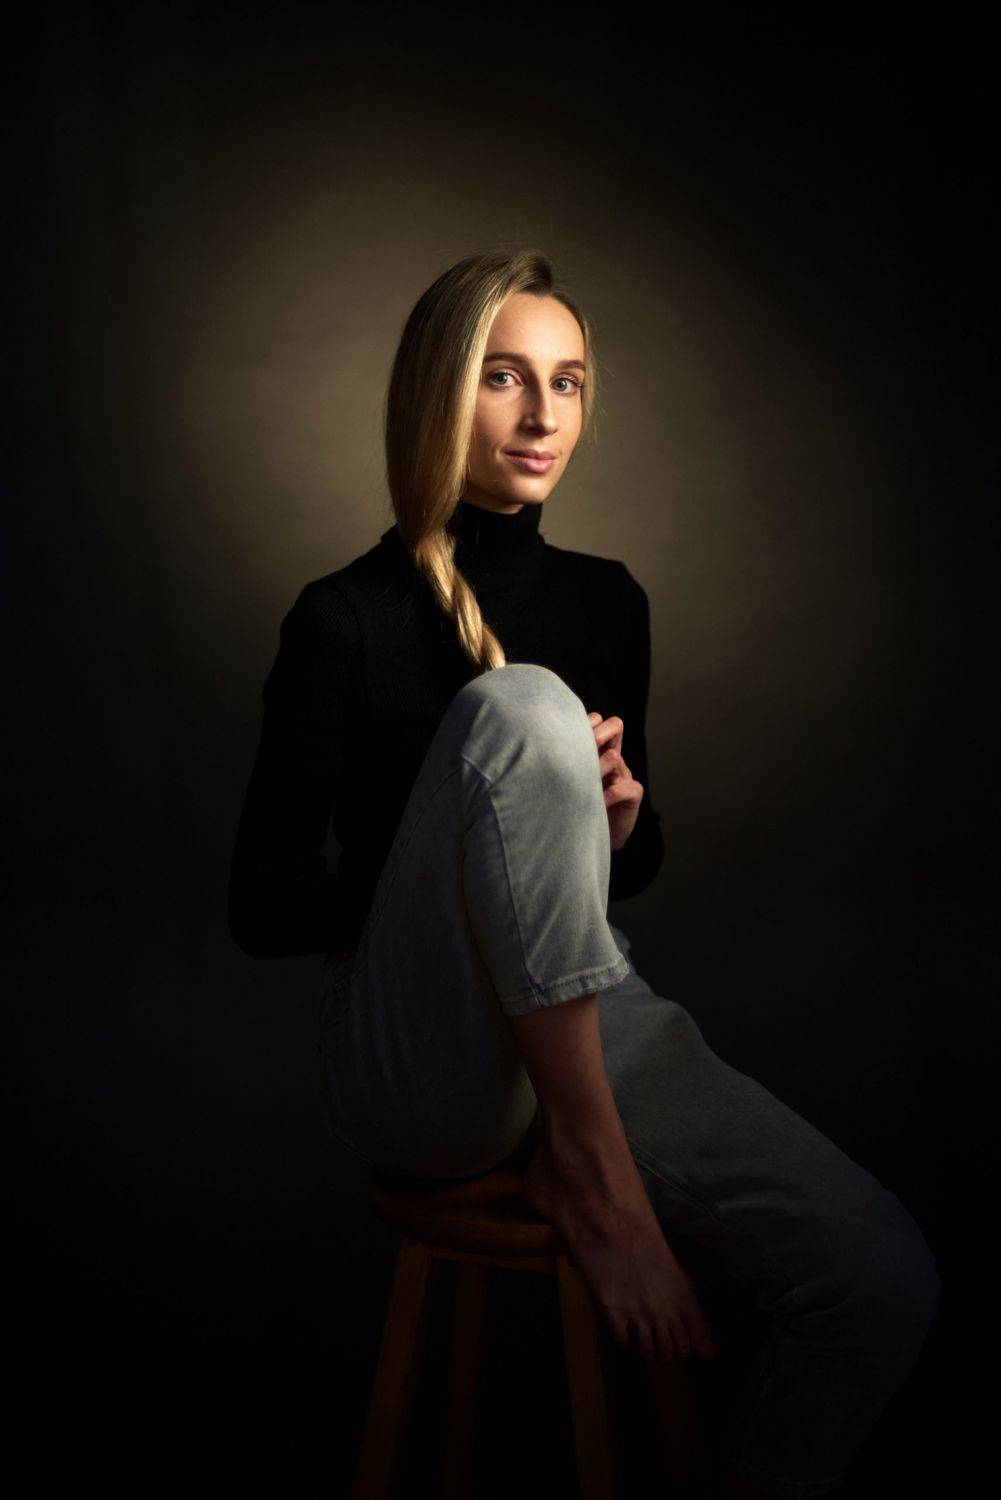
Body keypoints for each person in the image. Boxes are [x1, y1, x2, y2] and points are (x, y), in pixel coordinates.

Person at [227, 249, 941, 1498]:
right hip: (418, 1052)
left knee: (877, 1276)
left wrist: (604, 827)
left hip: (585, 1018)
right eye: (502, 377)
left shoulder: (607, 601)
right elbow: (265, 908)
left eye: (564, 381)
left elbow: (624, 877)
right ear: (437, 393)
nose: (540, 413)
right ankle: (594, 1172)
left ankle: (582, 1142)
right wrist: (464, 842)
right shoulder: (341, 617)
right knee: (524, 707)